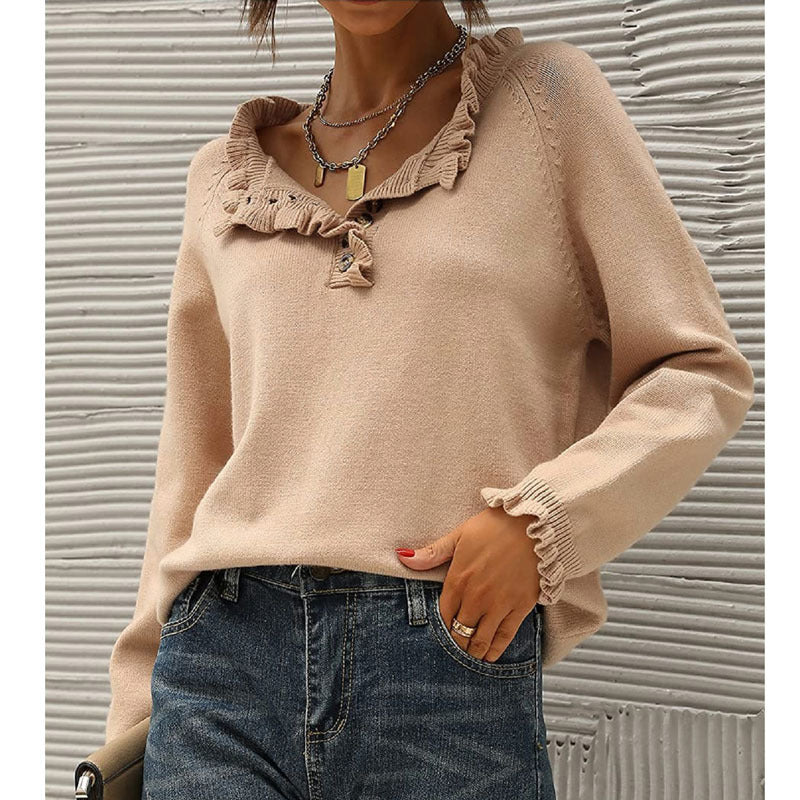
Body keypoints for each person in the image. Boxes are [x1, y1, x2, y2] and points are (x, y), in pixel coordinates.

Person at [104, 2, 755, 798]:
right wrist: (131, 723)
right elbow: (192, 465)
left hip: (446, 660)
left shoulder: (547, 104)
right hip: (218, 673)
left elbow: (696, 370)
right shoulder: (224, 179)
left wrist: (543, 522)